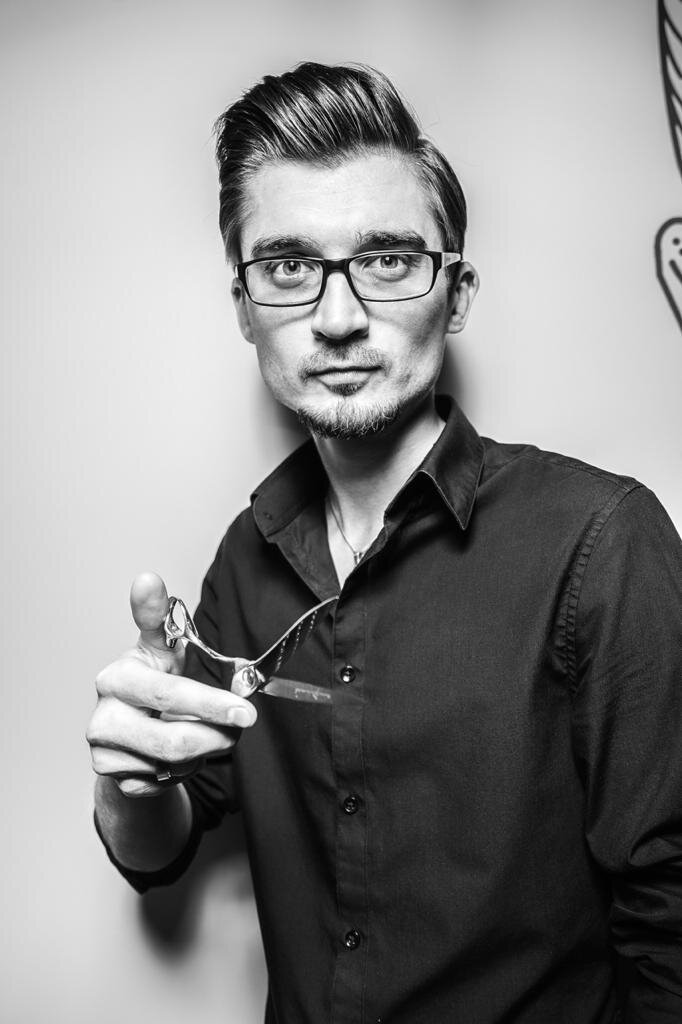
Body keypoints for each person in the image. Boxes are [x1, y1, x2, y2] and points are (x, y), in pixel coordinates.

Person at [87, 62, 682, 1023]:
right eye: (289, 268)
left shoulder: (603, 542)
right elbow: (160, 849)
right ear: (244, 308)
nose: (337, 318)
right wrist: (130, 785)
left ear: (458, 293)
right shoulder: (245, 557)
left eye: (390, 260)